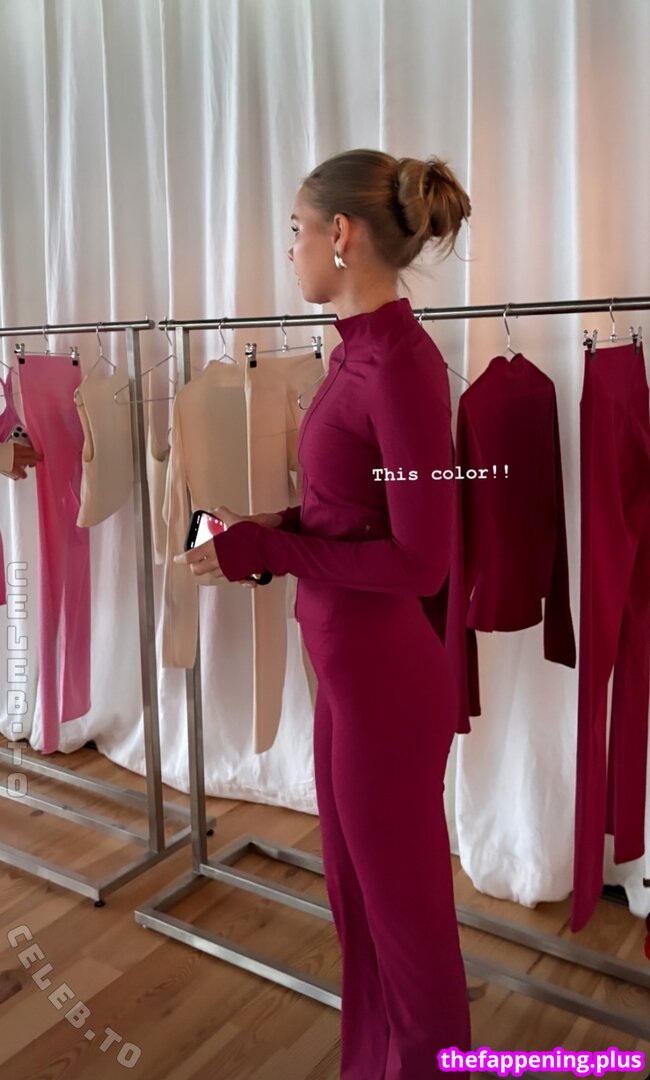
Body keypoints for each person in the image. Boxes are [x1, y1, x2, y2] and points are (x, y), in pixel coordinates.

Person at [177, 149, 473, 1079]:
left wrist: (270, 552)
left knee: (408, 933)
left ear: (340, 236)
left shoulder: (402, 369)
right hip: (348, 677)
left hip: (387, 687)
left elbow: (423, 559)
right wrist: (268, 529)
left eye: (297, 231)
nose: (291, 248)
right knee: (360, 913)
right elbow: (352, 515)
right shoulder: (355, 355)